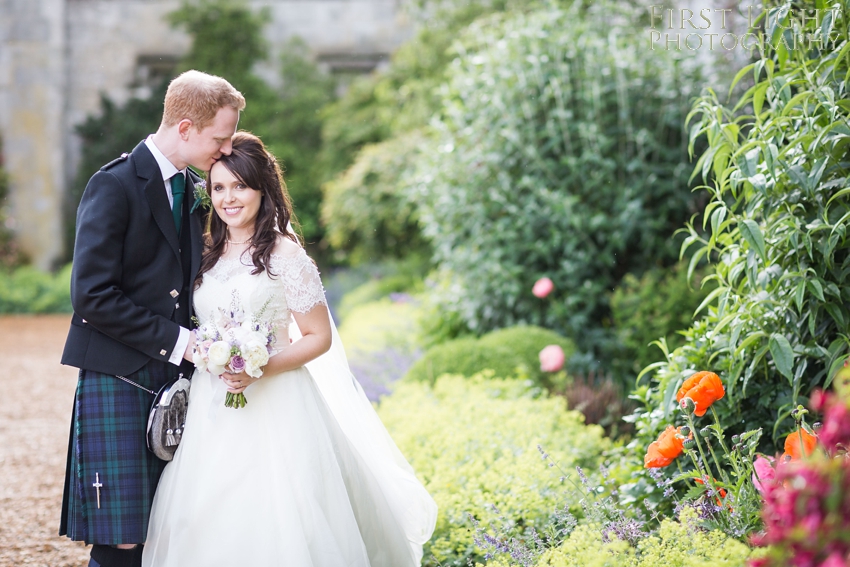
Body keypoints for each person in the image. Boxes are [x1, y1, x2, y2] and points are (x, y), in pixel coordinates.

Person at [142, 132, 437, 566]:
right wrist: (210, 354)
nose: (228, 199)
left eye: (239, 186)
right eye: (219, 187)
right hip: (212, 406)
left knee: (285, 518)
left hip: (280, 405)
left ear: (262, 188)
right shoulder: (204, 252)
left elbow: (319, 337)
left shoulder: (285, 255)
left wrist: (261, 367)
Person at [59, 70, 245, 567]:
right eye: (219, 138)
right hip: (119, 373)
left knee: (171, 521)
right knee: (122, 535)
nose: (226, 150)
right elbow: (91, 295)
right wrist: (181, 342)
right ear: (185, 128)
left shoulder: (191, 187)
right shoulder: (115, 184)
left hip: (178, 377)